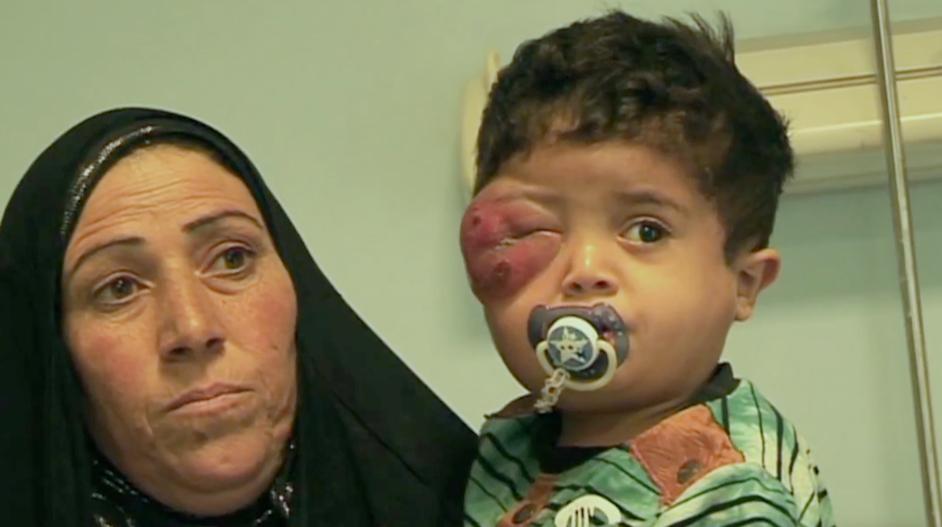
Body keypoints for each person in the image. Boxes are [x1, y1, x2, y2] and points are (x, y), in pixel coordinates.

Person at [0, 108, 477, 526]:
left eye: (232, 259)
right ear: (52, 348)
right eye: (120, 288)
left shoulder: (473, 508)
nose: (193, 328)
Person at [459, 11, 835, 526]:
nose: (584, 269)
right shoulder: (511, 447)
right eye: (535, 229)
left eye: (646, 232)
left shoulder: (731, 493)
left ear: (744, 284)